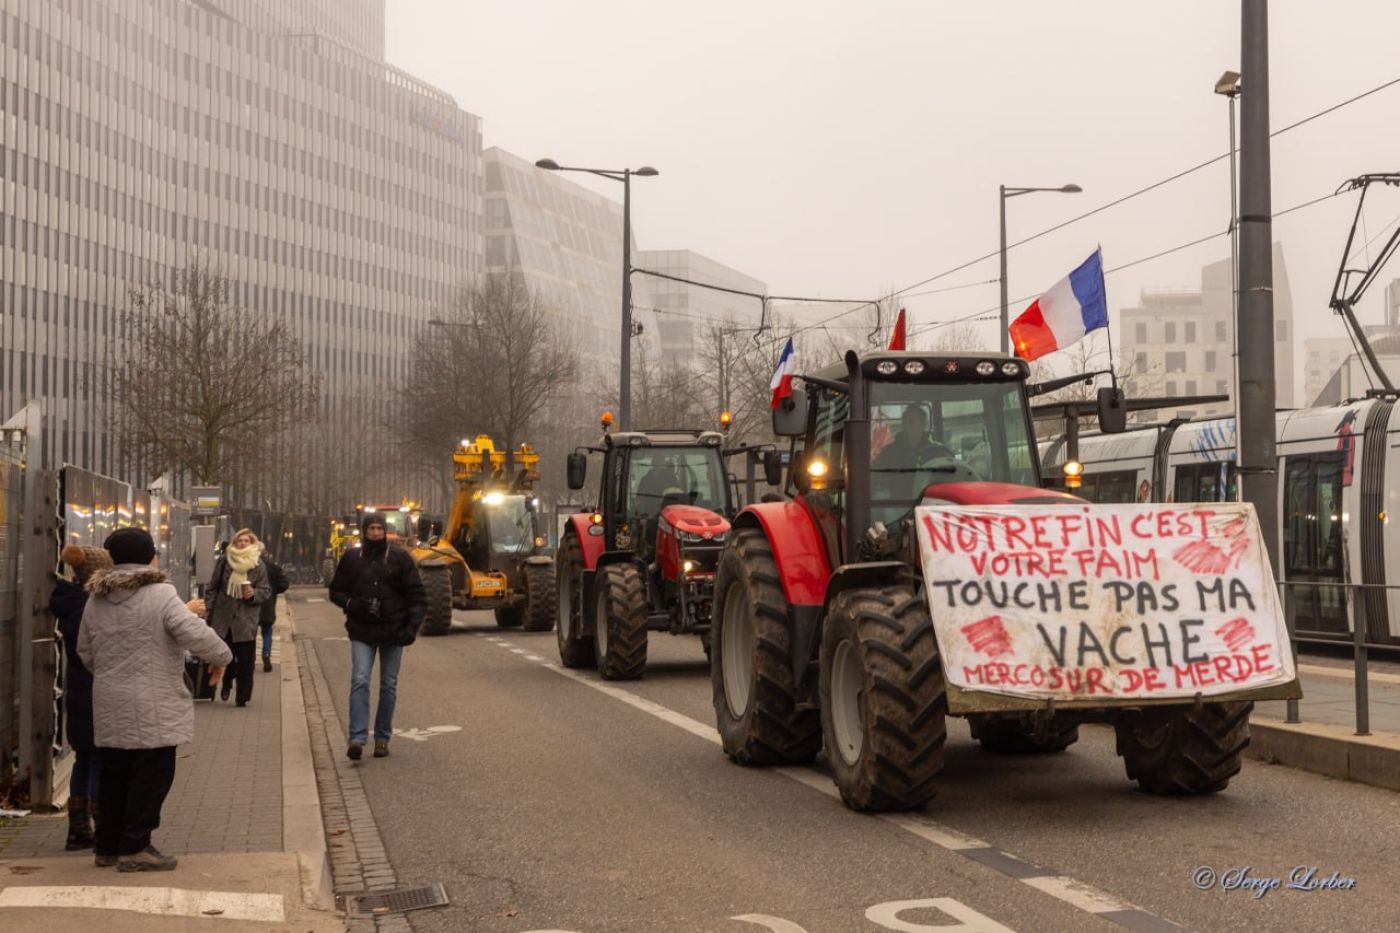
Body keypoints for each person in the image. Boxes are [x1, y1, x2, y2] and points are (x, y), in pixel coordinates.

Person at [79, 527, 231, 871]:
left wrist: (111, 676)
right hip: (154, 703)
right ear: (150, 557)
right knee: (151, 776)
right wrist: (222, 656)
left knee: (113, 775)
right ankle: (136, 847)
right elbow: (194, 633)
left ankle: (107, 847)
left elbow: (85, 652)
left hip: (109, 701)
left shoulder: (95, 598)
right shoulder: (161, 594)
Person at [329, 513, 425, 761]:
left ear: (385, 531)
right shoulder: (352, 558)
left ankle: (382, 737)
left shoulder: (400, 558)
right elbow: (336, 591)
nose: (374, 532)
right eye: (370, 528)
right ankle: (357, 738)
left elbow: (416, 595)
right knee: (360, 679)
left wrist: (411, 628)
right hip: (362, 629)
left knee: (388, 684)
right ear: (364, 531)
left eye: (378, 528)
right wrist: (353, 605)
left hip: (394, 630)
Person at [51, 545, 113, 850]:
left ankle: (78, 828)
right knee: (100, 759)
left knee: (84, 759)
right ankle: (100, 824)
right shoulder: (92, 607)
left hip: (78, 687)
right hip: (97, 688)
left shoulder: (69, 602)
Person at [206, 529, 271, 707]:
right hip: (223, 619)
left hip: (245, 621)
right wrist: (209, 610)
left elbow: (265, 591)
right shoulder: (224, 561)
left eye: (246, 541)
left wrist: (253, 594)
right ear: (234, 543)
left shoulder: (258, 565)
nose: (242, 543)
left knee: (245, 662)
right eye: (239, 541)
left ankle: (242, 697)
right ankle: (223, 686)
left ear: (252, 544)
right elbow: (213, 587)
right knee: (222, 656)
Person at [258, 543, 290, 672]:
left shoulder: (248, 565)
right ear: (264, 551)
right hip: (268, 604)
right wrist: (274, 591)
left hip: (250, 605)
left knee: (249, 634)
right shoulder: (271, 565)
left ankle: (249, 659)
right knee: (267, 632)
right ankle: (266, 653)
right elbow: (284, 582)